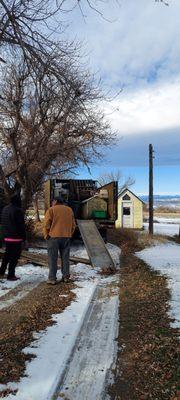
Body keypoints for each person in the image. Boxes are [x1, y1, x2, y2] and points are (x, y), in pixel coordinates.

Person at [44, 196, 76, 284]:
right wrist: (69, 234)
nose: (51, 202)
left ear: (56, 201)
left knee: (52, 258)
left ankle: (52, 279)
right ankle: (66, 277)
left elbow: (46, 224)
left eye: (52, 201)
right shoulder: (69, 210)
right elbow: (73, 225)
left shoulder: (51, 210)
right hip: (66, 236)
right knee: (65, 257)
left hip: (53, 237)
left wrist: (46, 235)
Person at [0, 194, 26, 281]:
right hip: (16, 238)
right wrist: (24, 238)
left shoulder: (5, 209)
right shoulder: (18, 210)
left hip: (6, 237)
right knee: (14, 257)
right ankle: (11, 275)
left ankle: (1, 272)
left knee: (7, 255)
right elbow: (21, 226)